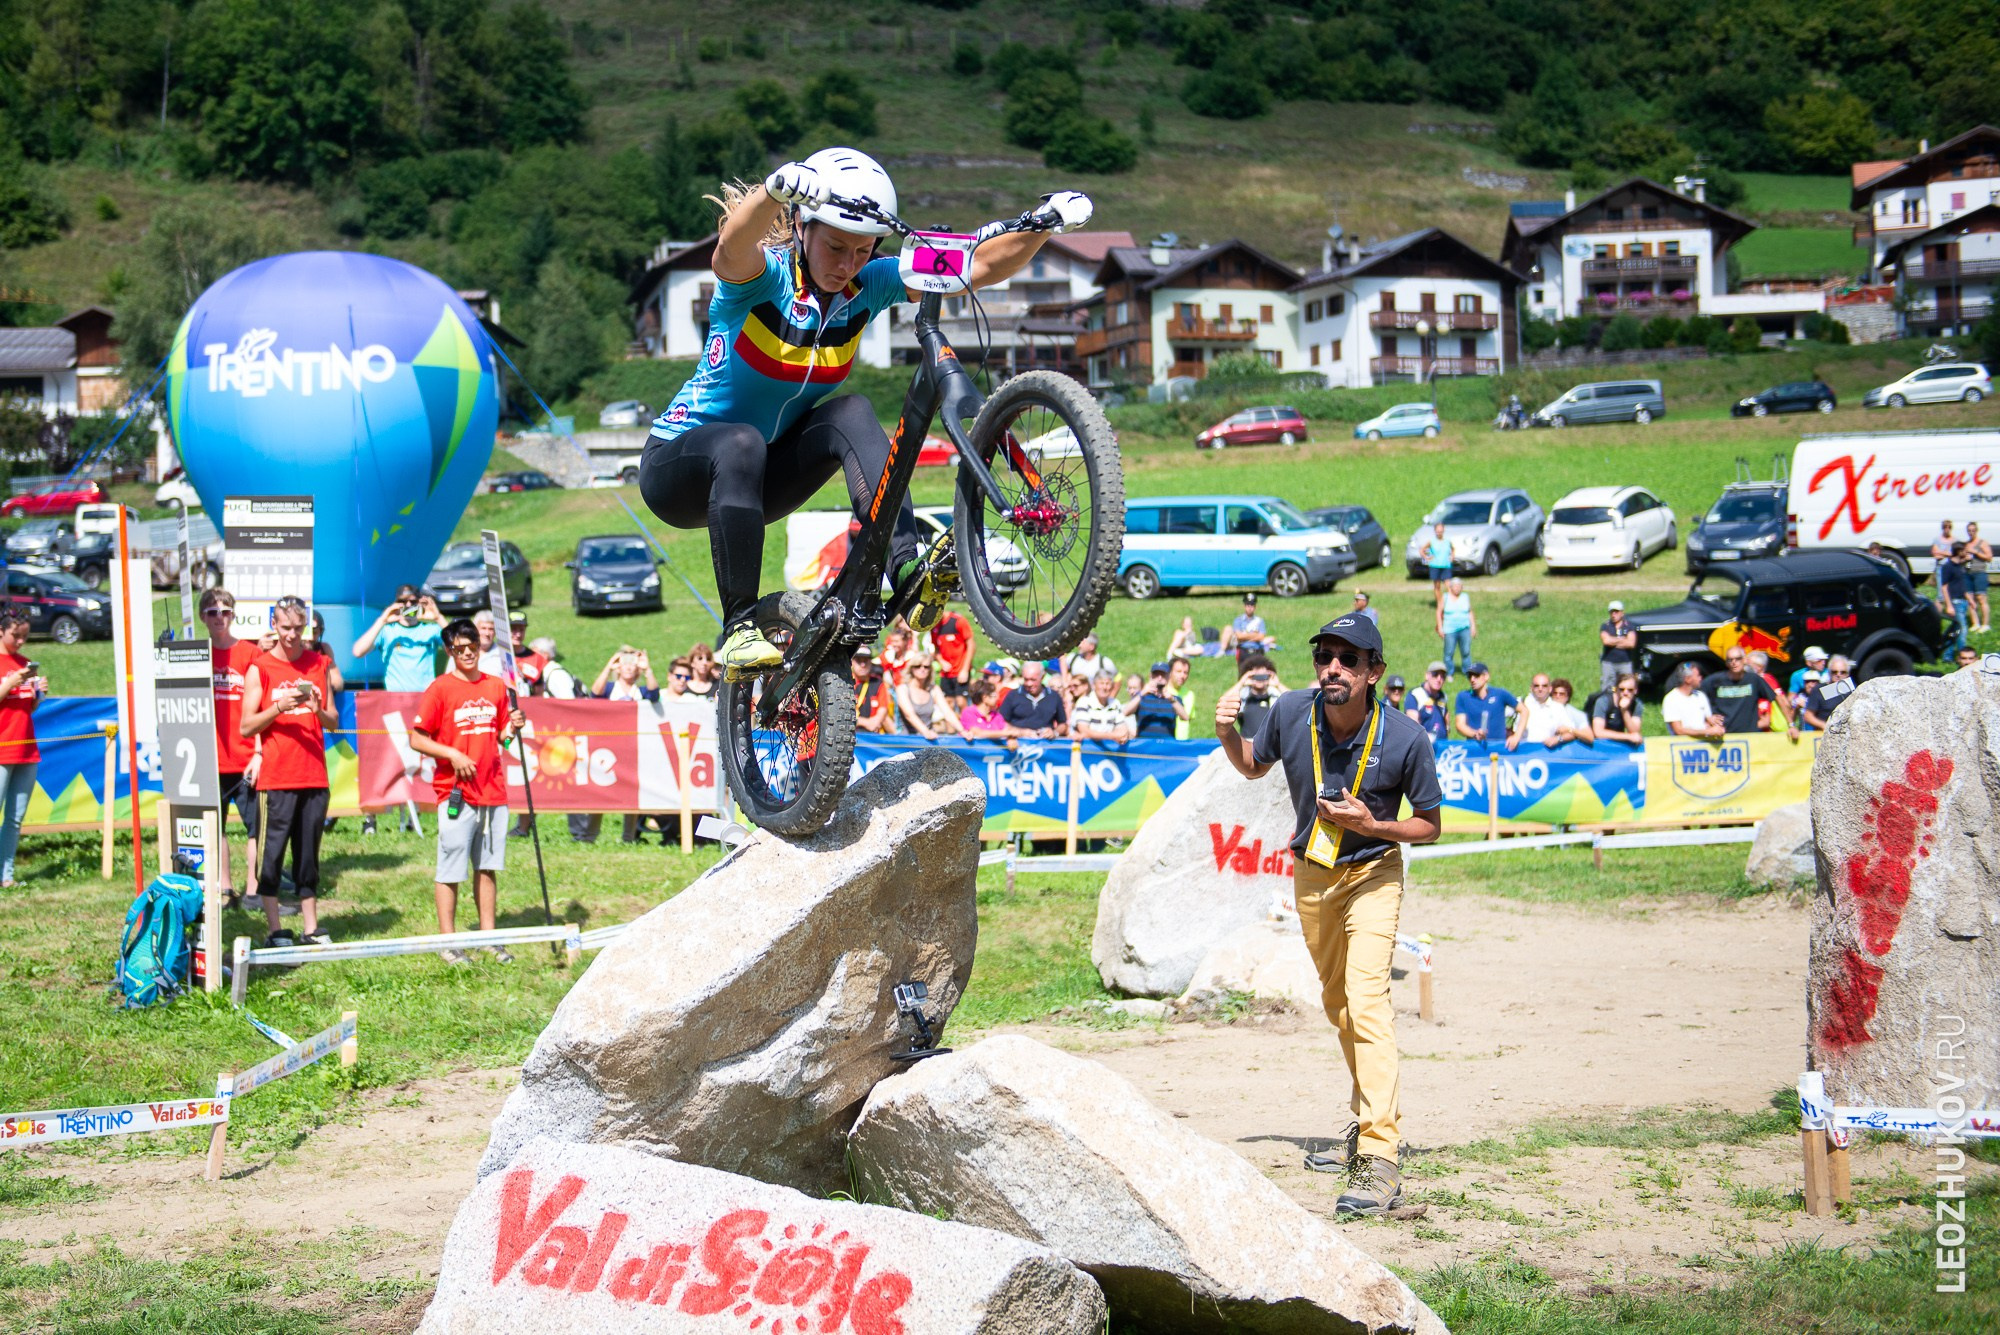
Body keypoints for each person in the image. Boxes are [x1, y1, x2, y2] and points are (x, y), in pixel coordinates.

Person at [637, 148, 1092, 673]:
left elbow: (981, 264)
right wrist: (773, 190)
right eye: (835, 247)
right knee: (739, 439)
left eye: (862, 250)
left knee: (851, 409)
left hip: (759, 480)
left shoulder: (868, 285)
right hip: (680, 470)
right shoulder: (763, 282)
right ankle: (738, 626)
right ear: (803, 228)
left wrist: (1044, 225)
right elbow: (729, 249)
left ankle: (906, 567)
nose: (848, 264)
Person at [1214, 613, 1442, 1217]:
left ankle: (1381, 1156)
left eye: (1348, 659)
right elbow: (1251, 765)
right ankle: (1364, 1121)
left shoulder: (1406, 737)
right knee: (1339, 1003)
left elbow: (1430, 824)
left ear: (1374, 672)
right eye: (1325, 656)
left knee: (1368, 1003)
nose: (1333, 668)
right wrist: (1227, 734)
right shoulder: (1291, 711)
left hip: (1374, 871)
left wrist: (1375, 825)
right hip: (1312, 873)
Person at [409, 619, 526, 965]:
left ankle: (489, 939)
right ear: (449, 651)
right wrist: (453, 754)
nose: (467, 654)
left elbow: (501, 737)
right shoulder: (440, 689)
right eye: (458, 649)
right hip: (456, 793)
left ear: (479, 644)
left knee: (487, 867)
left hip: (494, 790)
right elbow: (417, 738)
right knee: (450, 869)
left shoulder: (495, 687)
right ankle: (448, 942)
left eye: (471, 646)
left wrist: (512, 729)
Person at [240, 597, 338, 947]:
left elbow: (333, 720)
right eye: (286, 628)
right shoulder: (260, 668)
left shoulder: (318, 663)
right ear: (274, 625)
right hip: (276, 778)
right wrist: (279, 707)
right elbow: (246, 726)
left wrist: (317, 709)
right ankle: (275, 928)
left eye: (299, 628)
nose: (293, 635)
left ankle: (311, 928)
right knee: (272, 855)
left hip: (314, 775)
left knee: (308, 855)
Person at [202, 588, 264, 905]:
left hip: (244, 758)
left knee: (256, 827)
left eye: (225, 611)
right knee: (216, 826)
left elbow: (260, 708)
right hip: (209, 758)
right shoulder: (197, 655)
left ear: (234, 615)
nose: (219, 618)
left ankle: (254, 888)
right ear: (203, 617)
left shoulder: (250, 654)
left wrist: (258, 752)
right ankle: (225, 887)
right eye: (213, 612)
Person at [0, 608, 43, 888]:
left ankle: (6, 876)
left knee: (15, 819)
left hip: (27, 750)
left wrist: (38, 694)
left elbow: (28, 707)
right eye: (15, 636)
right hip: (2, 750)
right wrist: (8, 684)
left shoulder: (24, 663)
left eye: (25, 637)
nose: (20, 642)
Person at [351, 584, 444, 691]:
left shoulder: (431, 630)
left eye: (413, 602)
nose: (408, 605)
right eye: (402, 602)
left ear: (419, 603)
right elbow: (358, 651)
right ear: (395, 603)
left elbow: (458, 649)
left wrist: (438, 618)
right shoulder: (387, 631)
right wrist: (382, 620)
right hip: (396, 696)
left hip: (425, 695)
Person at [1702, 648, 1798, 738]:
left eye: (1737, 659)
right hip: (1724, 736)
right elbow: (1696, 696)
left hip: (1750, 737)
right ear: (1726, 663)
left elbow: (1778, 698)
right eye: (1730, 660)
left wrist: (1791, 725)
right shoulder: (1715, 680)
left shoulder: (1754, 679)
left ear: (1744, 660)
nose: (1734, 663)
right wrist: (1708, 717)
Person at [1508, 673, 1585, 749]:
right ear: (1531, 688)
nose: (1540, 689)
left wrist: (1558, 739)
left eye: (1544, 686)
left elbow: (1571, 732)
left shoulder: (1557, 708)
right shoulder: (1520, 703)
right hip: (1520, 752)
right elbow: (1497, 713)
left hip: (1546, 753)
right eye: (1536, 686)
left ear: (1550, 689)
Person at [894, 652, 960, 739]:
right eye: (918, 666)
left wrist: (962, 731)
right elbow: (909, 715)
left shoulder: (934, 689)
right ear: (911, 669)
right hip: (908, 739)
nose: (922, 669)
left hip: (928, 739)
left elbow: (948, 713)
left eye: (926, 667)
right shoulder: (902, 689)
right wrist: (926, 732)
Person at [999, 660, 1065, 738]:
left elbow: (1063, 724)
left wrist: (1054, 733)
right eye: (1026, 680)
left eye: (1033, 680)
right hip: (1018, 743)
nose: (1029, 684)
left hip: (1045, 745)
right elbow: (1001, 722)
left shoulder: (1054, 696)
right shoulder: (1013, 695)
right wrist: (1021, 732)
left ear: (1042, 677)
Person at [1451, 662, 1515, 743]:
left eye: (1476, 675)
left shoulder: (1500, 694)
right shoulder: (1463, 697)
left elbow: (1524, 711)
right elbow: (1460, 725)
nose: (1472, 679)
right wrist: (1475, 734)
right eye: (1470, 676)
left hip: (1499, 747)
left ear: (1486, 676)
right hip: (1475, 748)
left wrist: (1516, 736)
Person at [1660, 662, 1725, 739]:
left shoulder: (1701, 696)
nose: (1701, 678)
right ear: (1688, 679)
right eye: (1698, 676)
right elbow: (1679, 730)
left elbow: (1708, 721)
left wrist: (1714, 723)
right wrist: (1708, 731)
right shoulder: (1671, 699)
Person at [1125, 661, 1186, 740]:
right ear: (1151, 676)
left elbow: (1185, 717)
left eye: (1163, 675)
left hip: (1167, 746)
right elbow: (1125, 712)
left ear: (1168, 677)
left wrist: (1172, 700)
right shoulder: (1141, 697)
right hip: (1144, 746)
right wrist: (1142, 693)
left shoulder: (1175, 699)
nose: (1159, 678)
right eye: (1156, 675)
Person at [1231, 654, 1285, 740]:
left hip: (1270, 743)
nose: (1259, 680)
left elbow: (1294, 702)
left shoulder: (1275, 696)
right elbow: (1225, 701)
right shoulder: (1244, 696)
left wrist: (1278, 685)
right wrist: (1242, 682)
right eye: (1256, 676)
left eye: (1263, 676)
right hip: (1248, 742)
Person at [1070, 669, 1131, 741]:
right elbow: (1084, 731)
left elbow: (1122, 729)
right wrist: (1113, 736)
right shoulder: (1084, 702)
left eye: (1108, 684)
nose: (1105, 687)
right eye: (1101, 683)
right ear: (1094, 685)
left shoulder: (1115, 703)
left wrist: (1122, 735)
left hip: (1108, 751)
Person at [930, 609, 975, 702]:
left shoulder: (958, 621)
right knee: (948, 702)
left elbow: (971, 645)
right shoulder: (933, 626)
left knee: (961, 701)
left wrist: (965, 670)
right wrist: (941, 661)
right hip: (946, 672)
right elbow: (936, 649)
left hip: (960, 670)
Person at [1801, 655, 1856, 728]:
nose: (1838, 675)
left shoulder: (1852, 689)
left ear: (1848, 674)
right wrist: (1825, 726)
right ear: (1829, 672)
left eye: (1842, 672)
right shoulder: (1819, 690)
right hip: (1825, 733)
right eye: (1834, 672)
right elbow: (1808, 716)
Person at [1436, 576, 1474, 679]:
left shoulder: (1465, 597)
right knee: (1449, 652)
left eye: (1459, 586)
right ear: (1451, 587)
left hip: (1464, 628)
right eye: (1455, 586)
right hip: (1449, 630)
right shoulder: (1445, 597)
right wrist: (1440, 627)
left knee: (1466, 651)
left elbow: (1470, 612)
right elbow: (1439, 612)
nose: (1457, 588)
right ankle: (1449, 672)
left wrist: (1473, 626)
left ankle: (1467, 672)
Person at [1939, 542, 1973, 655]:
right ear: (1959, 551)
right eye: (1964, 551)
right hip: (1955, 602)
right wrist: (1948, 605)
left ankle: (1947, 655)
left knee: (1954, 630)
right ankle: (1963, 655)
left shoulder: (1960, 566)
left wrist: (1970, 600)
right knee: (1962, 630)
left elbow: (1962, 586)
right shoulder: (1948, 567)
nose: (1966, 553)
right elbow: (1944, 587)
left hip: (1962, 601)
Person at [594, 647, 660, 701]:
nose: (628, 668)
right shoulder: (609, 688)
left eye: (632, 664)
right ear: (618, 668)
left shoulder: (641, 691)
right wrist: (608, 667)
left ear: (637, 669)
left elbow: (654, 696)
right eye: (625, 663)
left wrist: (647, 669)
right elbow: (596, 694)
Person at [1592, 674, 1644, 742]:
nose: (1625, 693)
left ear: (1635, 690)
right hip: (1599, 743)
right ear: (1616, 689)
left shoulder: (1636, 704)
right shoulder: (1603, 702)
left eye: (1630, 690)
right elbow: (1598, 732)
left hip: (1618, 743)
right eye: (1621, 689)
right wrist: (1628, 737)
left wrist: (1624, 711)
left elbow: (1635, 734)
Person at [852, 647, 893, 733]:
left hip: (872, 735)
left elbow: (883, 709)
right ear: (852, 662)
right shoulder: (844, 682)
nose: (863, 665)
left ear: (871, 662)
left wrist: (874, 722)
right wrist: (865, 722)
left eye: (866, 660)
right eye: (859, 660)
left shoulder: (878, 683)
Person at [1599, 601, 1636, 695]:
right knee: (1608, 686)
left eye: (1616, 612)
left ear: (1622, 613)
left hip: (1625, 663)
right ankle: (1608, 702)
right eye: (1612, 612)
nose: (1614, 614)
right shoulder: (1606, 626)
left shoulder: (1629, 626)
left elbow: (1631, 643)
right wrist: (1622, 639)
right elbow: (1606, 641)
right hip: (1609, 662)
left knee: (1626, 685)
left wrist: (1613, 641)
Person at [1222, 594, 1269, 664]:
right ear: (1244, 606)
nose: (1250, 608)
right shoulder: (1238, 620)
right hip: (1243, 649)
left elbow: (1261, 637)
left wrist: (1245, 635)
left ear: (1255, 607)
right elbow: (1239, 636)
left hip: (1256, 649)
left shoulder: (1260, 621)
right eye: (1248, 605)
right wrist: (1254, 634)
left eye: (1252, 605)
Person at [507, 614, 548, 694]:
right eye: (514, 629)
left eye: (521, 630)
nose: (518, 634)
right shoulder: (496, 655)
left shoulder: (537, 659)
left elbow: (539, 691)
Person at [1966, 520, 1991, 633]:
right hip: (1967, 573)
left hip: (1979, 572)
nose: (1971, 532)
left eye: (1973, 530)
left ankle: (1985, 624)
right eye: (1969, 531)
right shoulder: (1966, 544)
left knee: (1981, 598)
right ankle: (1975, 623)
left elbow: (1989, 557)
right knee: (1970, 599)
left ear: (1977, 531)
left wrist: (1975, 552)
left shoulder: (1982, 543)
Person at [1165, 655, 1195, 740]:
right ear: (1170, 672)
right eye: (1178, 671)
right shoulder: (1163, 691)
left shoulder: (1190, 694)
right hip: (1166, 740)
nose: (1182, 676)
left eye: (1185, 672)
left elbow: (1188, 718)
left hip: (1183, 741)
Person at [1423, 521, 1453, 603]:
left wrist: (1452, 556)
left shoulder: (1447, 541)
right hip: (1435, 566)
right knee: (1437, 586)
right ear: (1435, 531)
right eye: (1437, 531)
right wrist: (1427, 557)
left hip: (1446, 565)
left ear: (1443, 531)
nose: (1439, 533)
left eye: (1440, 531)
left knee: (1449, 585)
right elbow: (1422, 550)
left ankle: (1451, 602)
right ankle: (1440, 603)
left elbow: (1453, 549)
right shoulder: (1432, 541)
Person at [879, 624, 915, 689]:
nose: (894, 644)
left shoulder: (911, 658)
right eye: (892, 641)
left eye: (897, 641)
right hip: (891, 690)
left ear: (905, 642)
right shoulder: (888, 656)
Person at [1932, 520, 1956, 615]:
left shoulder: (1955, 540)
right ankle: (1937, 615)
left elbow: (1955, 554)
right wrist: (1948, 553)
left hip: (1951, 567)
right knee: (1940, 593)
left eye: (1949, 527)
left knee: (1951, 591)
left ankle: (1951, 612)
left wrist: (1941, 552)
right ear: (1942, 528)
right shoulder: (1937, 540)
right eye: (1945, 527)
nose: (1947, 529)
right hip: (1941, 567)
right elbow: (1935, 554)